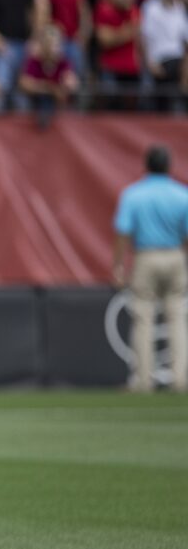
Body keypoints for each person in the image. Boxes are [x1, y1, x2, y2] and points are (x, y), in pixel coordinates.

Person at [112, 146, 188, 393]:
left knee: (143, 318)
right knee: (177, 318)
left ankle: (143, 382)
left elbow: (123, 232)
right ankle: (180, 380)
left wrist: (119, 264)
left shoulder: (134, 194)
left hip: (146, 256)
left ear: (146, 165)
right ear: (168, 165)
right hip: (175, 255)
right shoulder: (181, 194)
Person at [18, 24, 78, 127]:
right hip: (35, 101)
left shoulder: (64, 63)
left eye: (57, 44)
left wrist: (64, 86)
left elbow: (72, 84)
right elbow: (24, 84)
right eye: (51, 44)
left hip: (56, 103)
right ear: (44, 45)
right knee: (37, 99)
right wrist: (50, 88)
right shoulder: (34, 61)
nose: (55, 48)